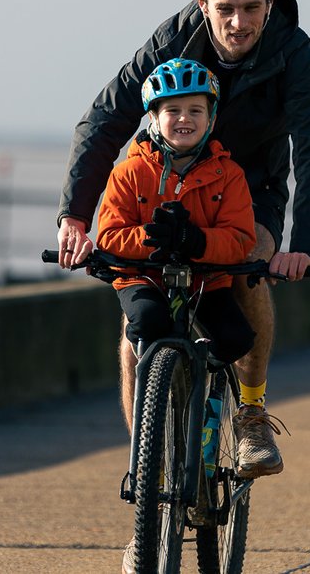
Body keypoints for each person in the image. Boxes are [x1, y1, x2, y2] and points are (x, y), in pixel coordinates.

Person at [57, 0, 310, 481]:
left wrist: (304, 245)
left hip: (250, 187)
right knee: (134, 315)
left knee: (247, 270)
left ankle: (252, 416)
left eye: (252, 8)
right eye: (226, 9)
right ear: (202, 6)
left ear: (271, 1)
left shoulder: (291, 51)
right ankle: (146, 466)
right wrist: (74, 214)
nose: (239, 23)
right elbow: (107, 118)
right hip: (168, 183)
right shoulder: (174, 38)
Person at [97, 58, 258, 372]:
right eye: (172, 111)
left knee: (236, 339)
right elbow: (108, 235)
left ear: (211, 118)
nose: (184, 119)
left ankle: (207, 384)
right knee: (148, 320)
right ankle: (150, 387)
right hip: (143, 276)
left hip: (205, 280)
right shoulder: (128, 173)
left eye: (195, 110)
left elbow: (239, 239)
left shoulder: (229, 175)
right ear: (154, 117)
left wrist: (194, 241)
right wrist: (152, 237)